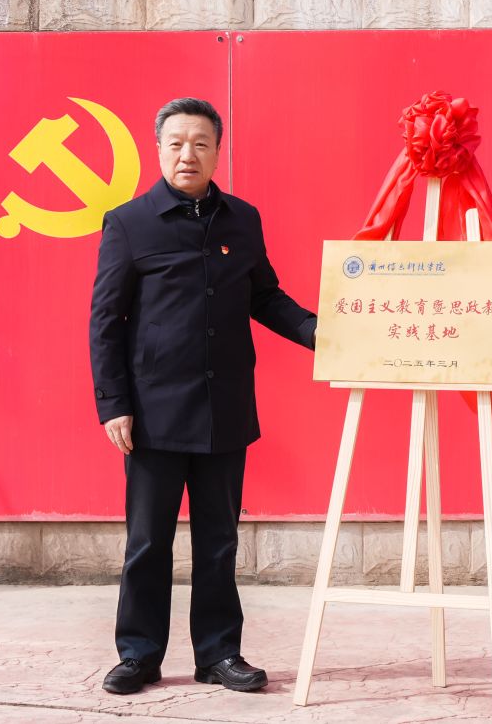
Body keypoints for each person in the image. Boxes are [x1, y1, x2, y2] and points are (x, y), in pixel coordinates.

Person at [88, 97, 318, 696]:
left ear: (218, 152)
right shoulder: (129, 223)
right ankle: (139, 654)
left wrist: (320, 332)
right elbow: (106, 320)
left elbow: (265, 297)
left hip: (224, 408)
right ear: (159, 149)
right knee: (148, 543)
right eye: (176, 143)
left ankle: (219, 654)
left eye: (200, 144)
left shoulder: (242, 219)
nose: (187, 154)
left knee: (219, 541)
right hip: (153, 414)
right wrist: (114, 402)